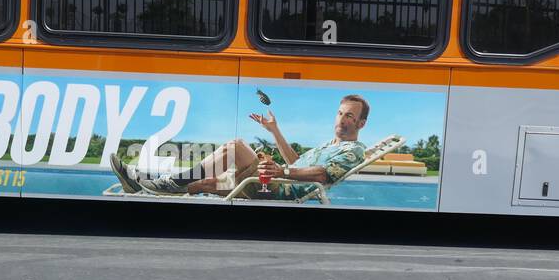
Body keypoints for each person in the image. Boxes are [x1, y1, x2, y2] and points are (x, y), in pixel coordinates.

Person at [109, 94, 370, 199]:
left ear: (361, 123)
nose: (342, 119)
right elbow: (296, 161)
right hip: (269, 181)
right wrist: (274, 131)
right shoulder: (329, 144)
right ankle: (141, 183)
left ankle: (168, 183)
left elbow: (322, 175)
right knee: (206, 183)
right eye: (340, 113)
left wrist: (282, 173)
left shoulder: (354, 150)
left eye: (349, 116)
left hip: (276, 188)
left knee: (234, 147)